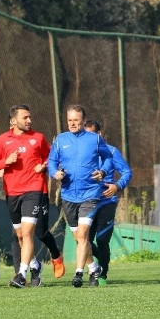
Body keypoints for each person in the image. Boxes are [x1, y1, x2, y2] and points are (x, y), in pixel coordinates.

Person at [0, 104, 57, 288]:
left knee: (27, 233)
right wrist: (5, 162)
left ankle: (21, 274)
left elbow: (52, 157)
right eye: (25, 117)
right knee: (20, 236)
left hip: (34, 189)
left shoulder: (38, 138)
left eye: (29, 117)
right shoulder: (3, 140)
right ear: (13, 121)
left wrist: (43, 165)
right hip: (12, 192)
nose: (29, 120)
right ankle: (35, 266)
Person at [48, 104, 113, 288]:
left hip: (90, 193)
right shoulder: (60, 140)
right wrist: (55, 173)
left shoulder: (94, 139)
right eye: (69, 120)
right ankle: (93, 267)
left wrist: (103, 171)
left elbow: (108, 158)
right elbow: (52, 161)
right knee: (79, 239)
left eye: (76, 120)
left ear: (83, 121)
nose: (72, 123)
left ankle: (78, 273)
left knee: (83, 234)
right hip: (68, 195)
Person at [83, 119, 132, 285]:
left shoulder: (111, 151)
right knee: (83, 240)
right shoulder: (81, 154)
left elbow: (126, 172)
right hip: (86, 202)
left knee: (102, 239)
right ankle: (96, 266)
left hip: (106, 202)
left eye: (91, 135)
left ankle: (102, 274)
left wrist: (117, 186)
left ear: (99, 135)